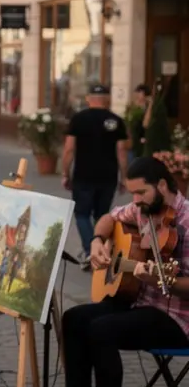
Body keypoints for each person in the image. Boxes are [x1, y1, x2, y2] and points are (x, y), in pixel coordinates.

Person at [63, 155, 189, 387]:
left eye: (140, 192)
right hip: (137, 302)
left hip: (176, 318)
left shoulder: (187, 221)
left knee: (102, 329)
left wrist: (160, 280)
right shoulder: (142, 209)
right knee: (72, 318)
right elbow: (109, 218)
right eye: (132, 193)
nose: (135, 200)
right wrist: (97, 240)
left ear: (163, 185)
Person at [62, 83, 128, 266]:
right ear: (107, 99)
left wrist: (65, 173)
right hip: (108, 176)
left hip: (83, 175)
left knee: (82, 214)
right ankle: (100, 250)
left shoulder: (78, 119)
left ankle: (89, 251)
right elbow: (121, 151)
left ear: (88, 98)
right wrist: (124, 177)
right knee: (102, 214)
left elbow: (68, 149)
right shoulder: (116, 121)